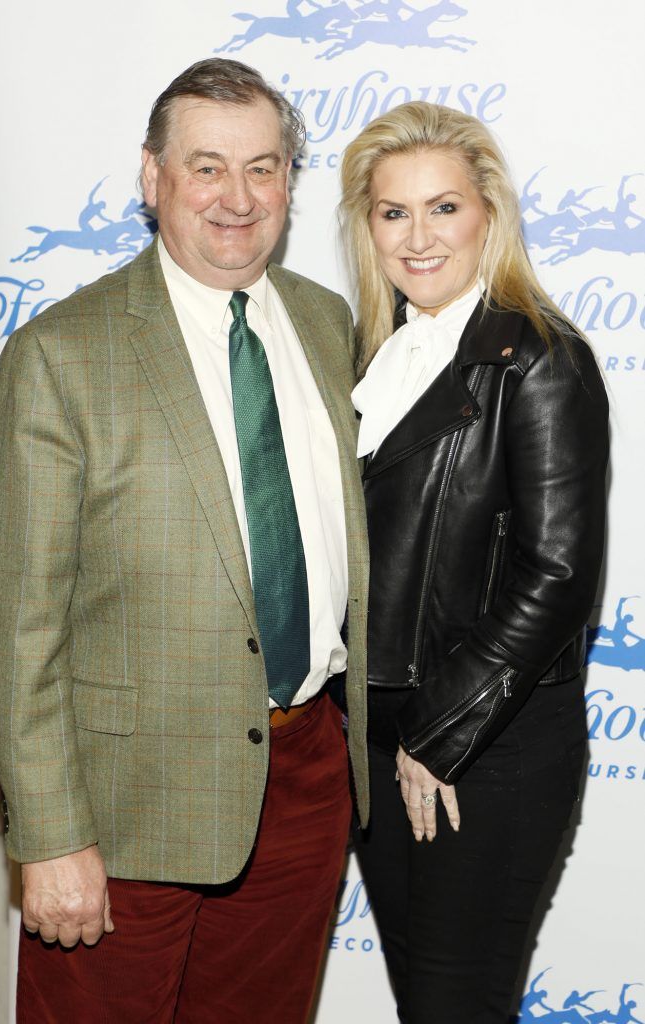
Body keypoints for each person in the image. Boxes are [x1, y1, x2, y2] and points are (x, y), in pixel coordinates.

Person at [0, 58, 369, 1023]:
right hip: (123, 808)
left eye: (264, 168)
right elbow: (18, 621)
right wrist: (51, 835)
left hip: (306, 776)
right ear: (152, 178)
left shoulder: (327, 323)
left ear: (289, 181)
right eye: (206, 167)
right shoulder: (63, 353)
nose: (238, 199)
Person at [338, 101, 608, 1023]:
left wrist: (437, 736)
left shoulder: (536, 358)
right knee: (425, 997)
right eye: (392, 212)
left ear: (488, 214)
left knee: (457, 1002)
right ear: (365, 226)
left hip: (484, 745)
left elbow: (560, 574)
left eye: (443, 208)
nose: (418, 237)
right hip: (379, 738)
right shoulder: (374, 357)